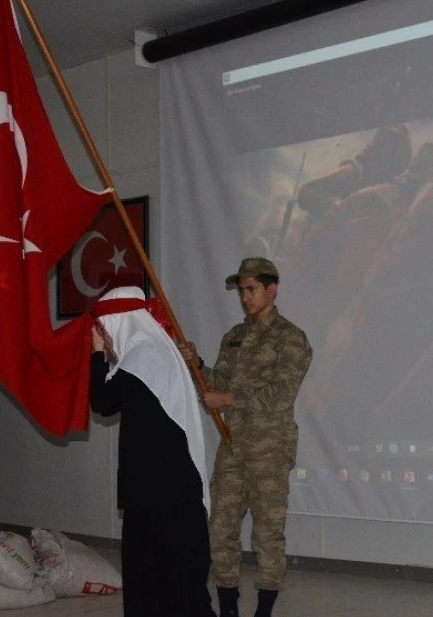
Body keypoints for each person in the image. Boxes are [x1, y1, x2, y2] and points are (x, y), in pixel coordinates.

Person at [179, 258, 313, 617]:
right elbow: (218, 384)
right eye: (241, 290)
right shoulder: (233, 338)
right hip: (234, 446)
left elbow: (282, 393)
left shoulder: (290, 338)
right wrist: (197, 365)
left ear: (272, 289)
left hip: (269, 449)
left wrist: (229, 400)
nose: (245, 297)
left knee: (267, 534)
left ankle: (264, 611)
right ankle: (229, 608)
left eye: (251, 289)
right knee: (220, 528)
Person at [89, 286, 215, 617]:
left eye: (105, 327)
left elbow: (102, 402)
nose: (105, 335)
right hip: (161, 492)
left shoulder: (144, 355)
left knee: (163, 583)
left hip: (159, 494)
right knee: (168, 582)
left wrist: (96, 353)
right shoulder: (155, 351)